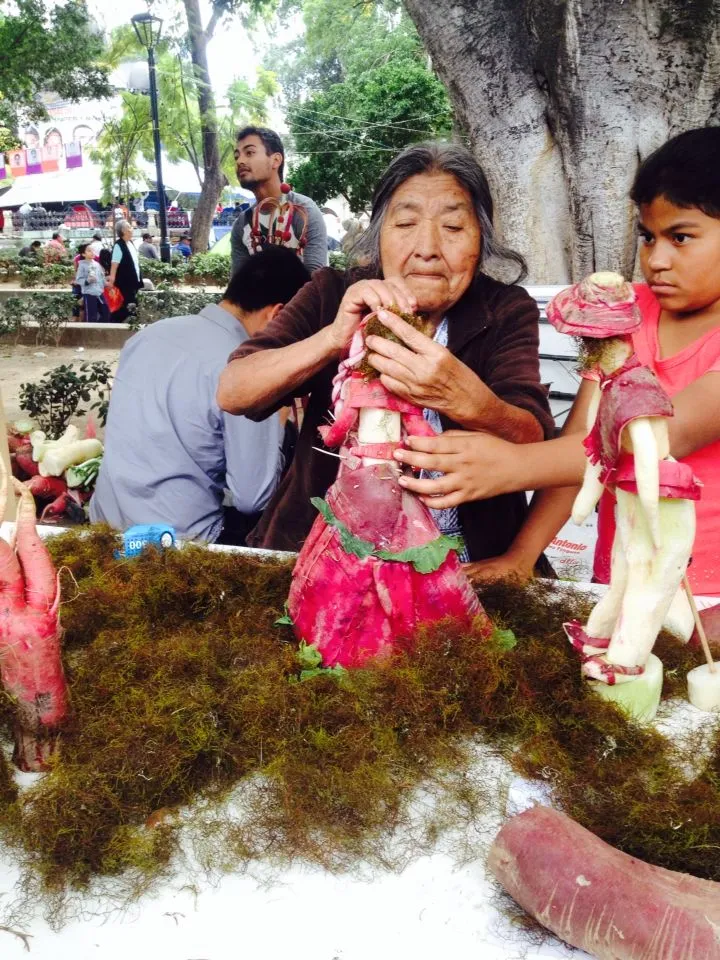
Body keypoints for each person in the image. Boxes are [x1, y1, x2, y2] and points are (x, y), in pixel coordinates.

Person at [394, 128, 720, 596]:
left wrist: (515, 465)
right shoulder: (623, 314)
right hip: (618, 583)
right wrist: (521, 557)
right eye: (648, 237)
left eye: (681, 237)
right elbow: (580, 447)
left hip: (709, 594)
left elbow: (665, 435)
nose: (657, 260)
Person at [217, 141, 554, 560]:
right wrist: (333, 338)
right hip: (329, 556)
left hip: (469, 560)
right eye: (406, 223)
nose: (427, 248)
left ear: (481, 239)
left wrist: (468, 399)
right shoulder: (333, 292)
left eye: (453, 227)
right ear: (378, 236)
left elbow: (532, 436)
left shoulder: (504, 308)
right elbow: (234, 391)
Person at [90, 247, 312, 544]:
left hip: (105, 523)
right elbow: (253, 497)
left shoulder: (149, 335)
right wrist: (280, 421)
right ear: (278, 315)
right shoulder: (246, 370)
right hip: (177, 544)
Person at [230, 126, 327, 276]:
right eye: (237, 156)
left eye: (249, 153)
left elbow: (316, 279)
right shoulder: (242, 225)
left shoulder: (304, 211)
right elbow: (238, 284)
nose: (240, 161)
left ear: (275, 160)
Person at [108, 220, 142, 322]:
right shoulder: (118, 246)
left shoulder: (130, 243)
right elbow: (114, 264)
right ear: (123, 231)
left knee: (132, 305)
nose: (132, 229)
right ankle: (113, 323)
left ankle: (130, 323)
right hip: (124, 283)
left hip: (134, 281)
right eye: (129, 227)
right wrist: (112, 281)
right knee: (126, 306)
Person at [75, 242, 110, 323]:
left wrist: (105, 283)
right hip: (89, 294)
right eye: (89, 251)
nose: (92, 252)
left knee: (106, 312)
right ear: (83, 254)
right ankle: (90, 329)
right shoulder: (82, 265)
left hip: (99, 292)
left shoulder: (97, 264)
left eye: (93, 250)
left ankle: (100, 327)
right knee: (91, 315)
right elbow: (79, 279)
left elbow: (101, 277)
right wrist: (87, 281)